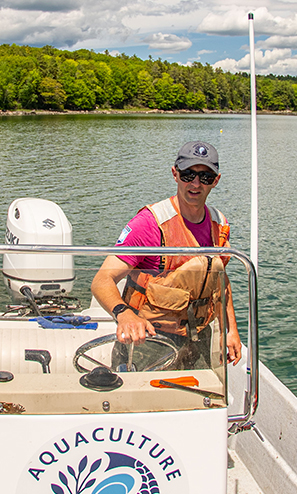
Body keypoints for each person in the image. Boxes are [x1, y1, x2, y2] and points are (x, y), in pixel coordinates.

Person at [91, 141, 242, 371]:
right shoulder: (149, 224)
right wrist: (125, 314)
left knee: (198, 403)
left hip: (200, 339)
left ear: (216, 181)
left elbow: (221, 282)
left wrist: (231, 330)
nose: (195, 184)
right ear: (175, 174)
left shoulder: (218, 224)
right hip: (149, 341)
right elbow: (102, 280)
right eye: (188, 174)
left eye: (205, 177)